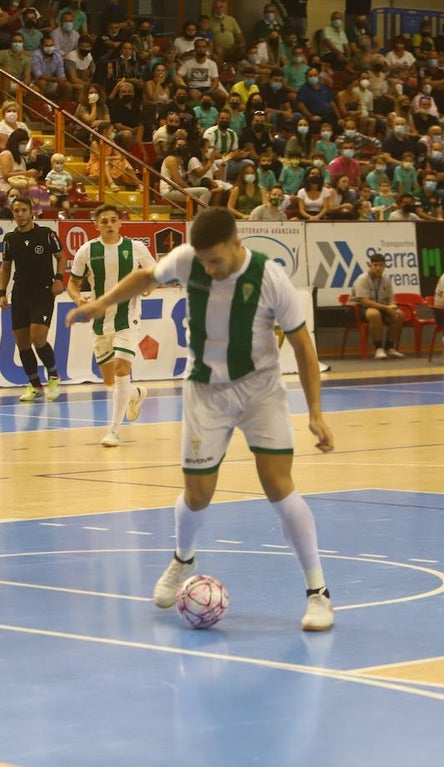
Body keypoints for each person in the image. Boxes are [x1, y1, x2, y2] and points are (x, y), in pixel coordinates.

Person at [66, 206, 336, 631]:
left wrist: (316, 412)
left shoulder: (270, 278)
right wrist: (101, 303)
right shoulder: (187, 260)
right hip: (205, 391)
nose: (209, 269)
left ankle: (318, 592)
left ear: (236, 244)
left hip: (260, 392)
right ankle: (183, 559)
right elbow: (145, 277)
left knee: (278, 486)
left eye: (216, 260)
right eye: (203, 261)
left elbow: (303, 345)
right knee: (197, 496)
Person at [66, 206, 155, 446]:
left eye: (113, 220)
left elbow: (155, 273)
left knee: (121, 368)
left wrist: (150, 287)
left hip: (128, 317)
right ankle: (136, 393)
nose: (109, 224)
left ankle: (113, 431)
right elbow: (72, 283)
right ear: (96, 225)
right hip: (101, 320)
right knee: (109, 380)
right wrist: (78, 299)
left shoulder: (136, 248)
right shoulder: (87, 250)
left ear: (120, 223)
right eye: (104, 221)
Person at [0, 196, 66, 402]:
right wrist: (2, 292)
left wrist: (59, 279)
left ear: (31, 212)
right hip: (20, 294)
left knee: (38, 337)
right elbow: (6, 266)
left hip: (42, 293)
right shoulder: (9, 239)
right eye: (16, 211)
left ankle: (53, 376)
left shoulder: (47, 234)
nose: (20, 214)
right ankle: (35, 385)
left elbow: (61, 257)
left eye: (23, 210)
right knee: (22, 342)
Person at [350, 253, 405, 359]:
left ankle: (389, 348)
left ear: (384, 266)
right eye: (375, 265)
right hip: (359, 309)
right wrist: (386, 308)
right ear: (370, 265)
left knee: (399, 314)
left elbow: (391, 300)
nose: (378, 268)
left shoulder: (386, 280)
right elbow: (365, 302)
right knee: (374, 314)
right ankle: (379, 348)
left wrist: (392, 307)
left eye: (380, 265)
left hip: (381, 307)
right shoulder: (362, 279)